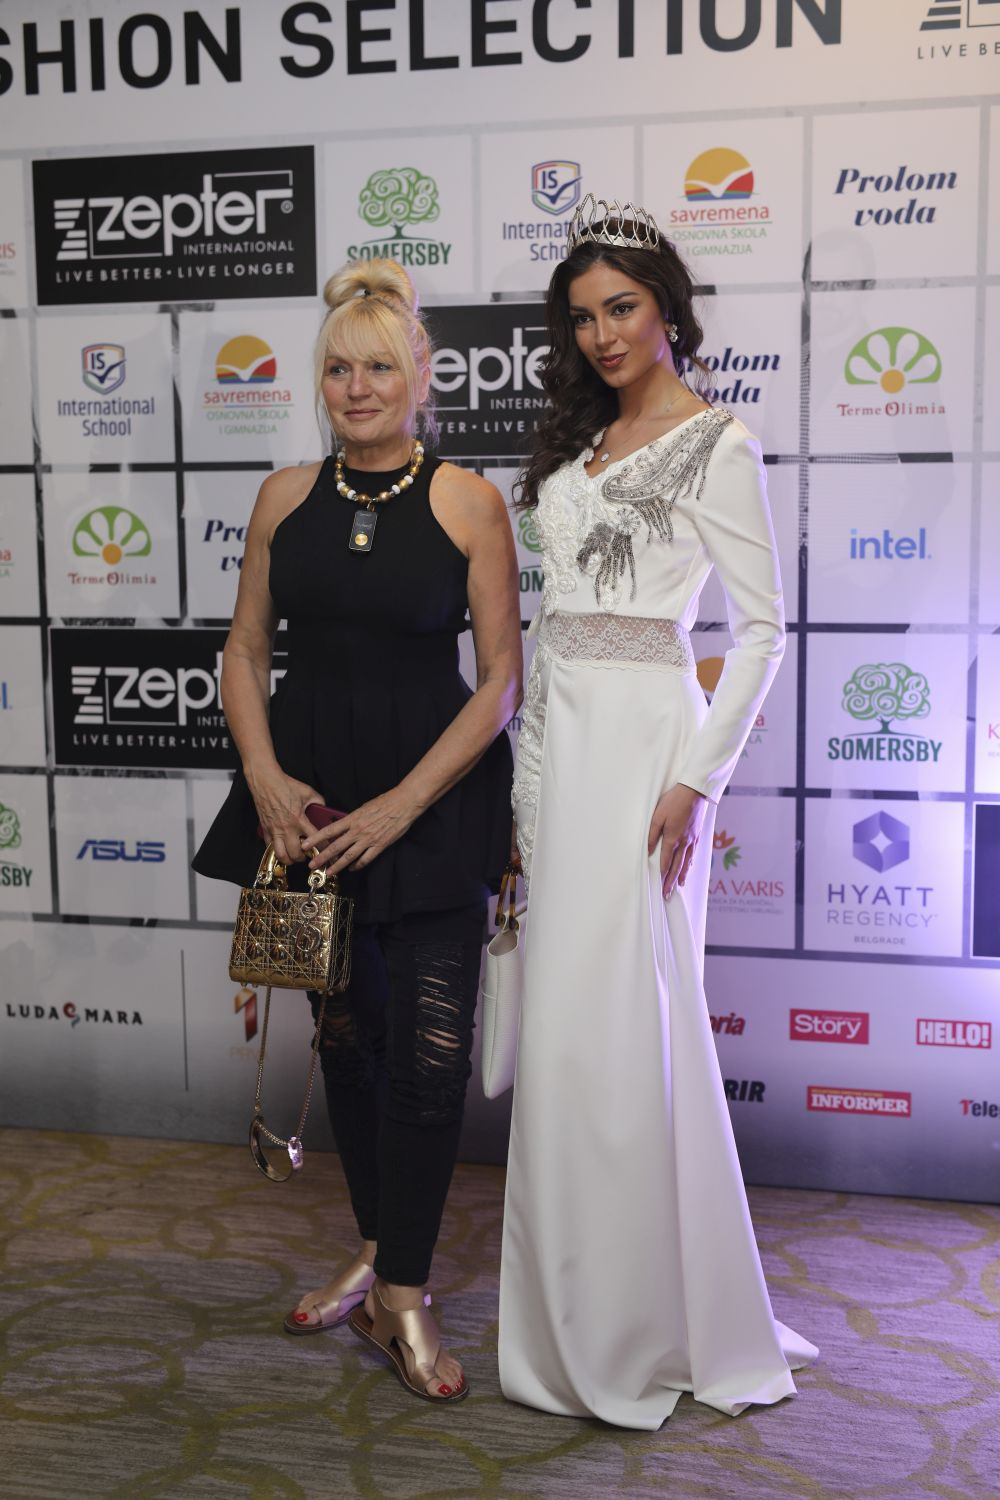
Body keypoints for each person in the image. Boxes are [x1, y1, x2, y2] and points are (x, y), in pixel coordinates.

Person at [498, 196, 817, 1429]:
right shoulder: (579, 440)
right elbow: (550, 631)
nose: (602, 334)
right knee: (566, 1036)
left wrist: (695, 781)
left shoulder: (715, 441)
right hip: (562, 742)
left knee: (632, 1032)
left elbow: (764, 630)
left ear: (668, 309)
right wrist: (527, 783)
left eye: (621, 308)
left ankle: (641, 1322)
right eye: (582, 316)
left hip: (645, 757)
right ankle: (574, 1310)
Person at [194, 258, 521, 1404]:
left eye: (380, 366)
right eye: (338, 369)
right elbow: (243, 649)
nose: (358, 387)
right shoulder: (283, 497)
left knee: (429, 1063)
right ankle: (384, 1263)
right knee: (348, 1043)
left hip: (429, 809)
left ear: (421, 372)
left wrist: (401, 805)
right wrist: (266, 780)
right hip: (307, 812)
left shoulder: (469, 501)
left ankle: (405, 1294)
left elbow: (501, 681)